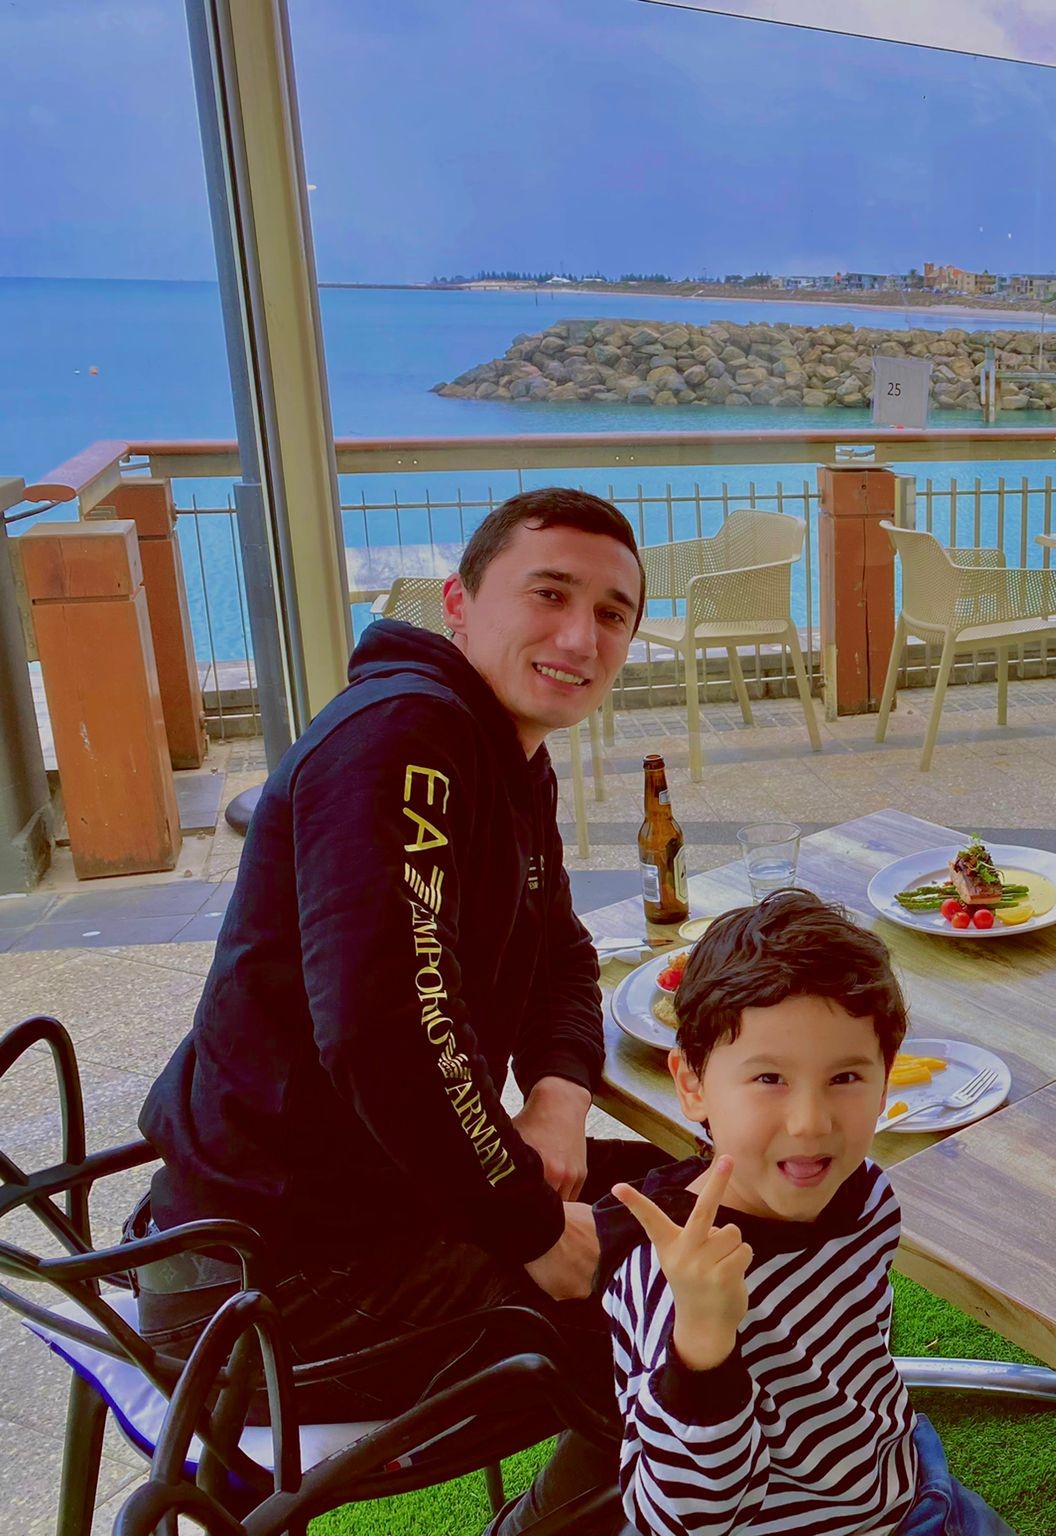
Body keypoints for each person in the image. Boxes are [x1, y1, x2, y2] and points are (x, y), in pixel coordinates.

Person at [135, 487, 662, 1534]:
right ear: (459, 606)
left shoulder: (502, 754)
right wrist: (522, 1223)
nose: (579, 635)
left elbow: (559, 947)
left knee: (713, 1201)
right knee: (693, 1292)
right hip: (270, 1288)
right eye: (549, 594)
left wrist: (555, 1100)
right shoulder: (405, 740)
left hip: (368, 1214)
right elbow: (387, 1036)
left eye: (612, 613)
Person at [605, 890, 1014, 1536]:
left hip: (902, 1486)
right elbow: (679, 1522)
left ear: (887, 1074)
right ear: (691, 1083)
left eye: (846, 1078)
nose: (811, 1123)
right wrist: (703, 1351)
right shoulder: (672, 1280)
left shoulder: (867, 1194)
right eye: (769, 1079)